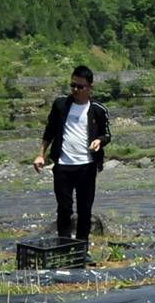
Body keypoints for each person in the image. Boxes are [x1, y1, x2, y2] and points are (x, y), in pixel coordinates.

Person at [34, 65, 111, 254]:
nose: (75, 90)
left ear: (89, 88)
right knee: (64, 208)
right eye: (73, 85)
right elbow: (49, 131)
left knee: (85, 210)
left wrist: (98, 141)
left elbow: (107, 134)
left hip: (86, 166)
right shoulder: (60, 104)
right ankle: (64, 248)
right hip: (63, 165)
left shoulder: (98, 109)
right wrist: (40, 154)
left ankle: (81, 250)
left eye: (80, 87)